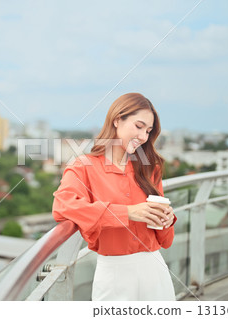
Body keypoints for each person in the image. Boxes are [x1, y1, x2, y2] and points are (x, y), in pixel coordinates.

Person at [52, 93, 177, 301]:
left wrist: (166, 220)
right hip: (114, 274)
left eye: (148, 131)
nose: (144, 137)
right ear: (117, 120)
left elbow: (166, 241)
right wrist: (128, 213)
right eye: (138, 126)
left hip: (155, 270)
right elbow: (63, 206)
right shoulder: (84, 166)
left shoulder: (150, 168)